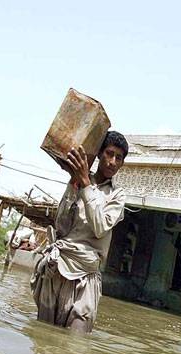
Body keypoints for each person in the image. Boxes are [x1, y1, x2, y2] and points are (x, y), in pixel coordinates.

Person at [30, 131, 129, 333]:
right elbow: (62, 226)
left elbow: (100, 228)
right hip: (57, 267)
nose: (112, 162)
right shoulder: (78, 181)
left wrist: (85, 184)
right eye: (109, 154)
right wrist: (74, 184)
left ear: (122, 164)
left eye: (118, 158)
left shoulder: (117, 196)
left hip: (86, 276)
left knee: (74, 346)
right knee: (43, 338)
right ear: (99, 155)